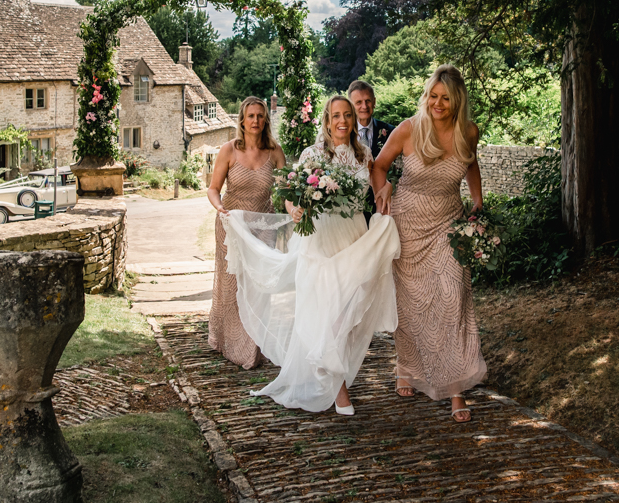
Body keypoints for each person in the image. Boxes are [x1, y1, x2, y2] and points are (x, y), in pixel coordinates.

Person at [223, 95, 401, 415]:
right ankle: (338, 386)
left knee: (349, 311)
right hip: (320, 239)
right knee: (330, 314)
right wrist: (293, 210)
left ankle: (330, 368)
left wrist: (386, 188)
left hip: (353, 239)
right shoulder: (312, 154)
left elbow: (376, 189)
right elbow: (290, 193)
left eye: (347, 115)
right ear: (327, 119)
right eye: (336, 115)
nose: (343, 121)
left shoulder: (364, 156)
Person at [370, 64, 487, 423]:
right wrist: (382, 190)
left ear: (457, 100)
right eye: (433, 96)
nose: (437, 103)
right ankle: (406, 367)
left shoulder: (469, 130)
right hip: (407, 224)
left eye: (445, 98)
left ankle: (455, 390)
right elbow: (379, 166)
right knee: (411, 305)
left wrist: (478, 203)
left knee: (453, 298)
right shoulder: (409, 128)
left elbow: (470, 165)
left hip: (448, 225)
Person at [207, 96, 286, 369]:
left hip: (264, 226)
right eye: (251, 116)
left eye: (260, 116)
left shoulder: (275, 151)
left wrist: (295, 209)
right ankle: (229, 342)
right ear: (242, 119)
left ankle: (255, 345)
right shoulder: (228, 150)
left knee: (260, 286)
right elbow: (213, 189)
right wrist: (220, 209)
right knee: (232, 286)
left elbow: (287, 191)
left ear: (265, 120)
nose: (256, 121)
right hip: (232, 225)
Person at [348, 80, 396, 224]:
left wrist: (391, 183)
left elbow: (401, 167)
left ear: (374, 102)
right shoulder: (343, 133)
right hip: (351, 208)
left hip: (383, 204)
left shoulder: (390, 132)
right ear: (350, 105)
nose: (364, 106)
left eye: (368, 101)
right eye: (358, 102)